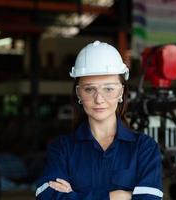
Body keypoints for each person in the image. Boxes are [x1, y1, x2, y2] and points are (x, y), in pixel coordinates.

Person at [36, 41, 163, 200]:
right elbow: (47, 197)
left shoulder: (144, 148)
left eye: (108, 89)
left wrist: (74, 196)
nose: (99, 99)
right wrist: (119, 196)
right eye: (89, 89)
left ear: (121, 92)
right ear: (79, 93)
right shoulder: (61, 149)